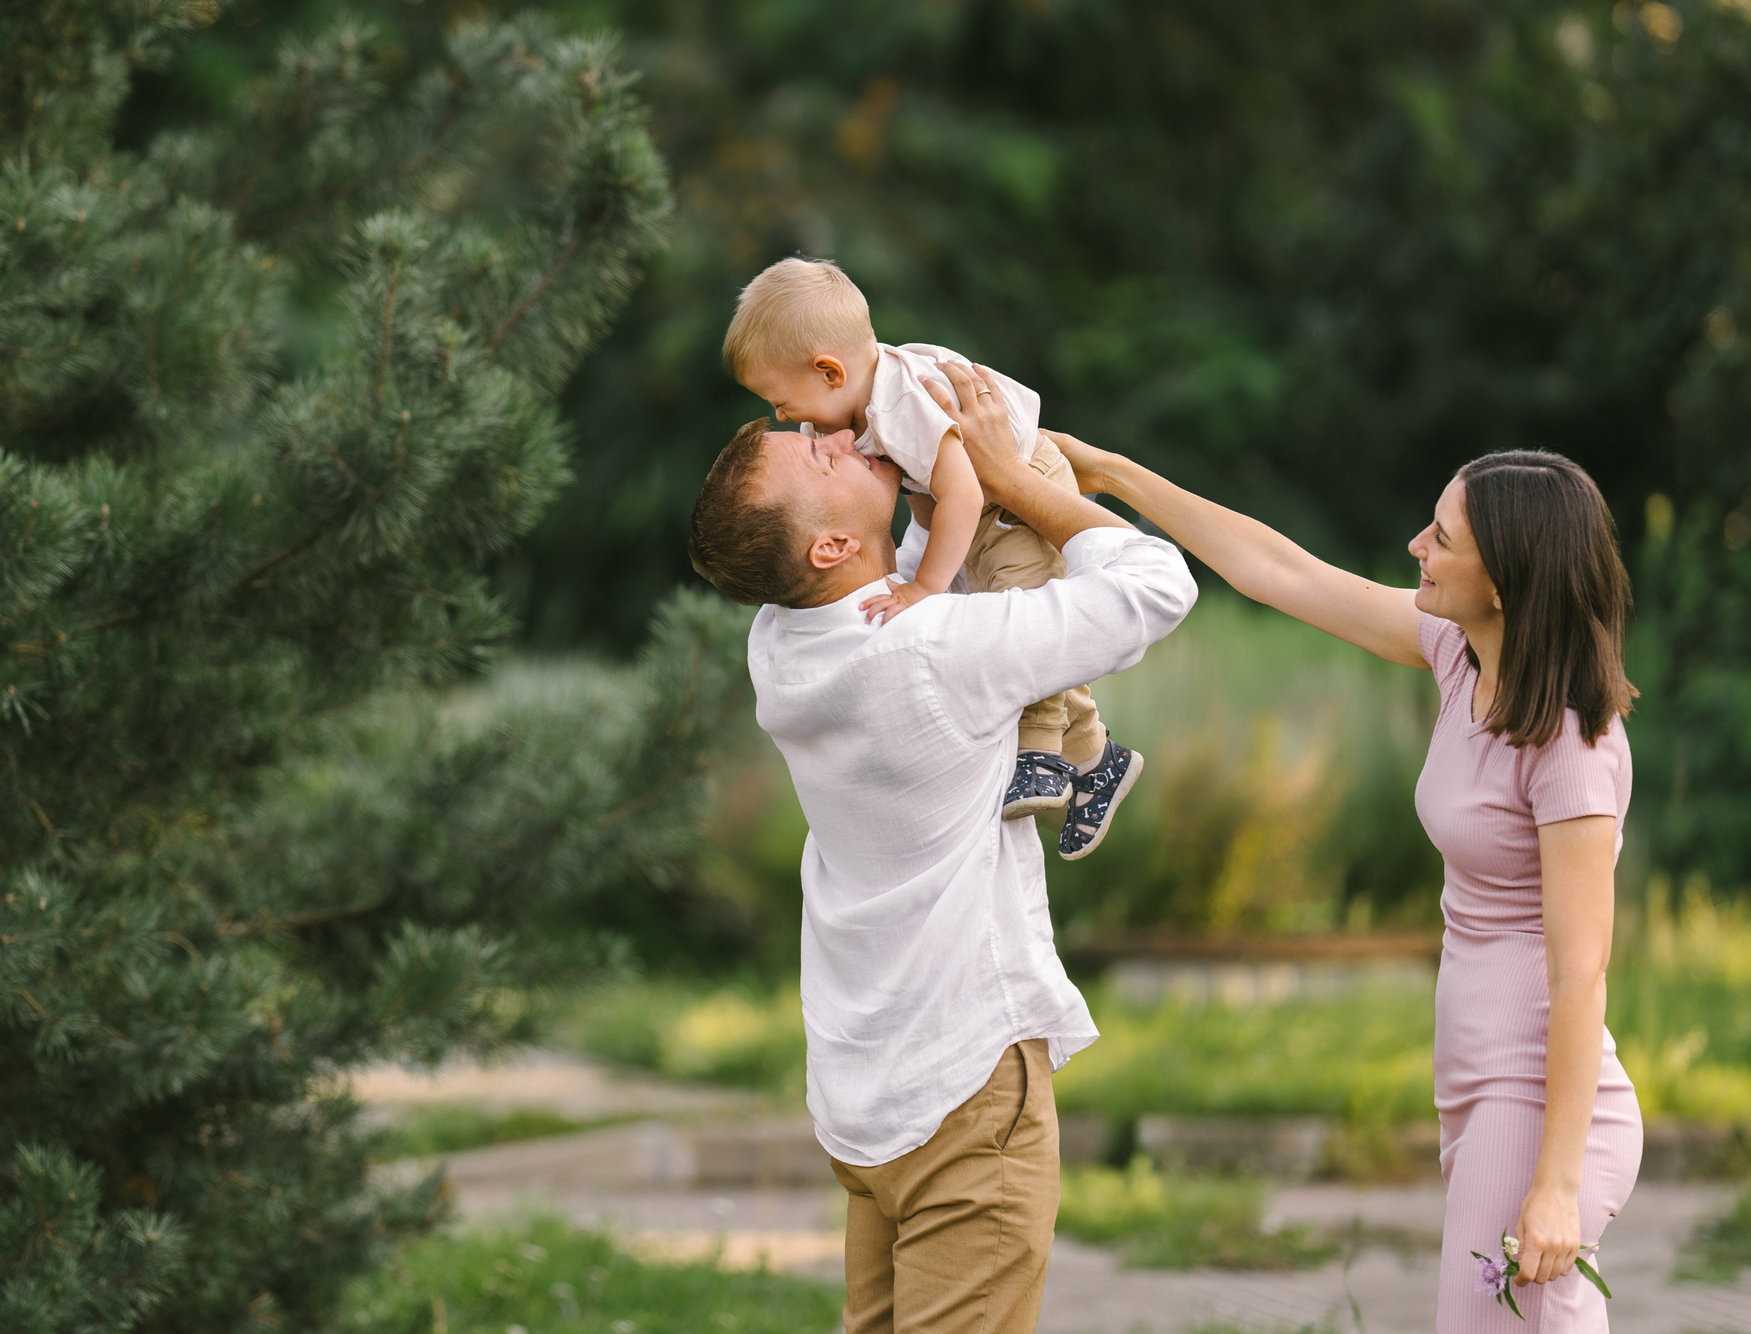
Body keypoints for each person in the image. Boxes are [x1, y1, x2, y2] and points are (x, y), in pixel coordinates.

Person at [927, 366, 1641, 1333]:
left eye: (1443, 538)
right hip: (1477, 1078)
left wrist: (1555, 1184)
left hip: (1537, 1096)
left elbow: (1582, 971)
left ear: (1506, 581)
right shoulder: (1460, 655)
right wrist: (1116, 476)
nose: (1415, 546)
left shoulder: (1570, 741)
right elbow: (1281, 571)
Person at [684, 380, 1195, 1334]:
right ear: (827, 546)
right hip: (965, 1092)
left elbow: (908, 567)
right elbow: (1156, 586)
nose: (832, 434)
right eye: (819, 458)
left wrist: (935, 479)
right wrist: (1023, 484)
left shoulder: (782, 641)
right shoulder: (932, 653)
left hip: (869, 1095)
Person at [721, 255, 1130, 855]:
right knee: (993, 598)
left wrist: (925, 587)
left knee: (1020, 602)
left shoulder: (899, 405)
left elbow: (961, 492)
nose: (782, 418)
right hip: (974, 500)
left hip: (1017, 483)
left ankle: (1041, 752)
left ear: (830, 372)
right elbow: (912, 496)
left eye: (780, 402)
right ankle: (1100, 758)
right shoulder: (837, 416)